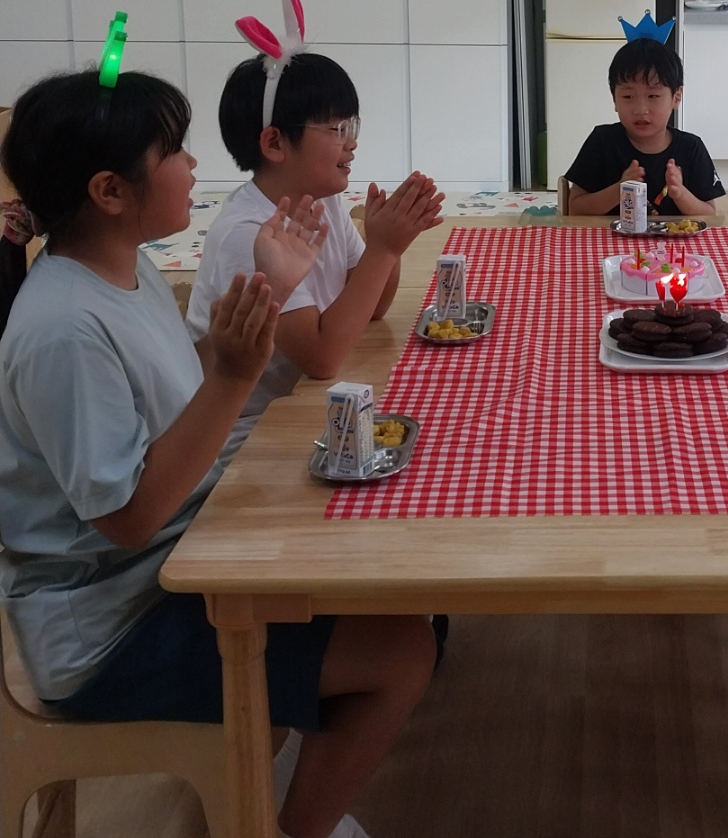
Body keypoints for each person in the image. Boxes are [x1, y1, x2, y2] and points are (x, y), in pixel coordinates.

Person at [0, 69, 437, 838]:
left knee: (376, 577)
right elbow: (129, 516)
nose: (194, 164)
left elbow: (184, 382)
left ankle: (278, 783)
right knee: (402, 651)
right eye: (172, 150)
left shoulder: (125, 268)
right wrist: (236, 372)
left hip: (173, 560)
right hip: (111, 630)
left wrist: (264, 293)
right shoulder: (62, 328)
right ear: (110, 190)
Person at [188, 51, 444, 459]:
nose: (352, 142)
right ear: (275, 143)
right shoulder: (246, 234)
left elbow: (374, 307)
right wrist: (383, 249)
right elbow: (322, 358)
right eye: (337, 129)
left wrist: (389, 245)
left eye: (352, 126)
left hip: (304, 397)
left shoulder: (322, 201)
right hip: (245, 428)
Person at [565, 38, 725, 218]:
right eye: (628, 97)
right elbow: (576, 209)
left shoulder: (691, 147)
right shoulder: (602, 141)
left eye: (653, 96)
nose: (641, 110)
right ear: (614, 99)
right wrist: (620, 189)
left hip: (673, 237)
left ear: (676, 97)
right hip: (610, 236)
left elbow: (710, 214)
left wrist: (680, 193)